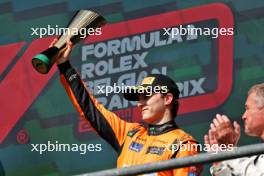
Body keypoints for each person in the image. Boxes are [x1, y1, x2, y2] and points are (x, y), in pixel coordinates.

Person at [52, 39, 202, 176]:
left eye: (146, 96)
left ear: (167, 98)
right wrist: (64, 65)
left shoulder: (183, 144)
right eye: (138, 98)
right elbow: (90, 108)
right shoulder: (130, 134)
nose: (139, 103)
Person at [204, 83, 264, 176]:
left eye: (247, 108)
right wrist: (219, 162)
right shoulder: (258, 160)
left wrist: (229, 152)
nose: (244, 116)